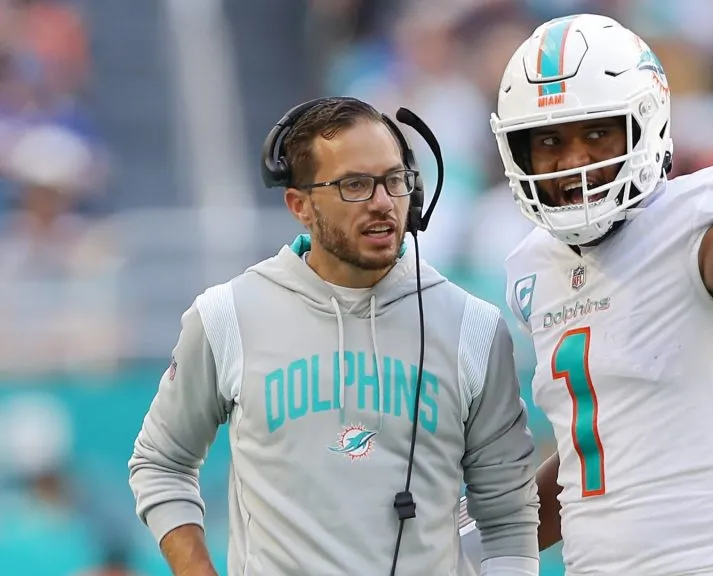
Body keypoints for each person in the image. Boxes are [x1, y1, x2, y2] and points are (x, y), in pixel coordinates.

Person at [128, 96, 540, 576]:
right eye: (355, 185)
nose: (383, 202)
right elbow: (161, 462)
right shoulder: (225, 316)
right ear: (299, 206)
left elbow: (508, 518)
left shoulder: (474, 327)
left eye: (393, 180)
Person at [464, 13, 713, 576]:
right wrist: (470, 544)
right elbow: (587, 463)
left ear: (643, 127)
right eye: (548, 140)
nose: (572, 160)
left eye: (596, 132)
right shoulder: (531, 268)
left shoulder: (698, 222)